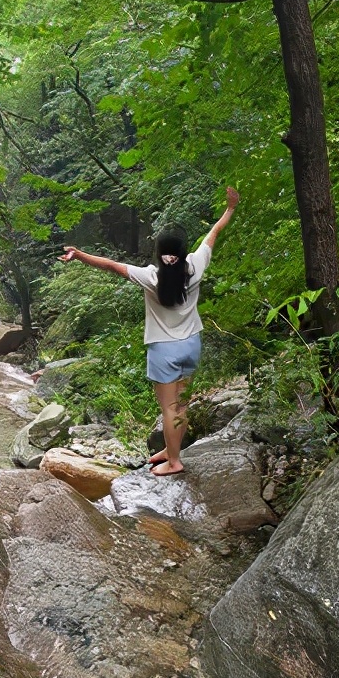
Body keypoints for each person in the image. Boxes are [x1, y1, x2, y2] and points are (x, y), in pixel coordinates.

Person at [59, 186, 240, 476]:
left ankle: (175, 462)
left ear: (159, 255)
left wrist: (79, 255)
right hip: (191, 345)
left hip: (164, 351)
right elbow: (213, 234)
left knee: (169, 409)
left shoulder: (150, 277)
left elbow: (111, 266)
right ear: (182, 254)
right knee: (181, 405)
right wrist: (230, 208)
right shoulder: (194, 267)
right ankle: (171, 450)